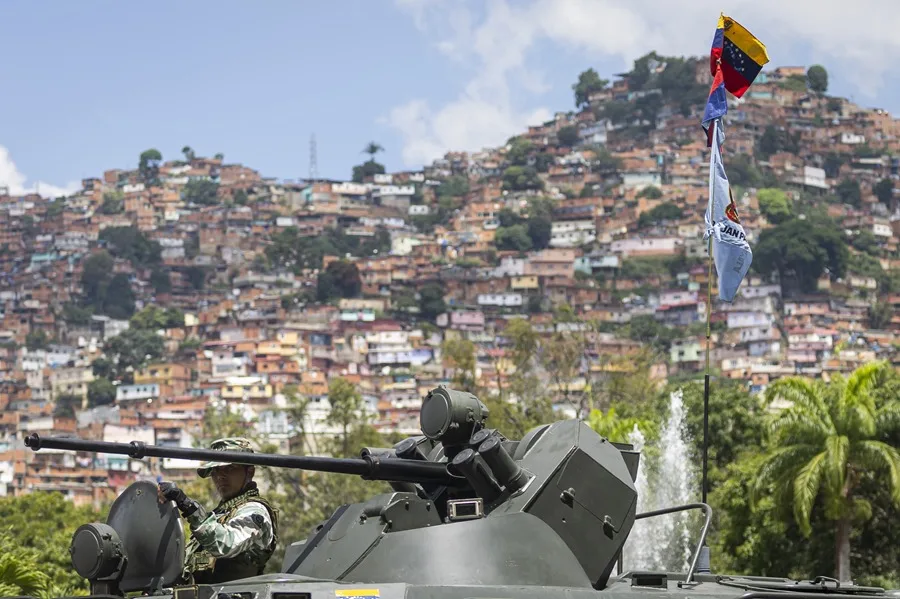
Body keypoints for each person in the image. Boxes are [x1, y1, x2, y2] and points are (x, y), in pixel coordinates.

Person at [157, 437, 279, 584]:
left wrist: (186, 504)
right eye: (215, 470)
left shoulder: (255, 511)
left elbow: (225, 543)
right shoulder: (220, 515)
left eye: (229, 468)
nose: (220, 476)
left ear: (249, 472)